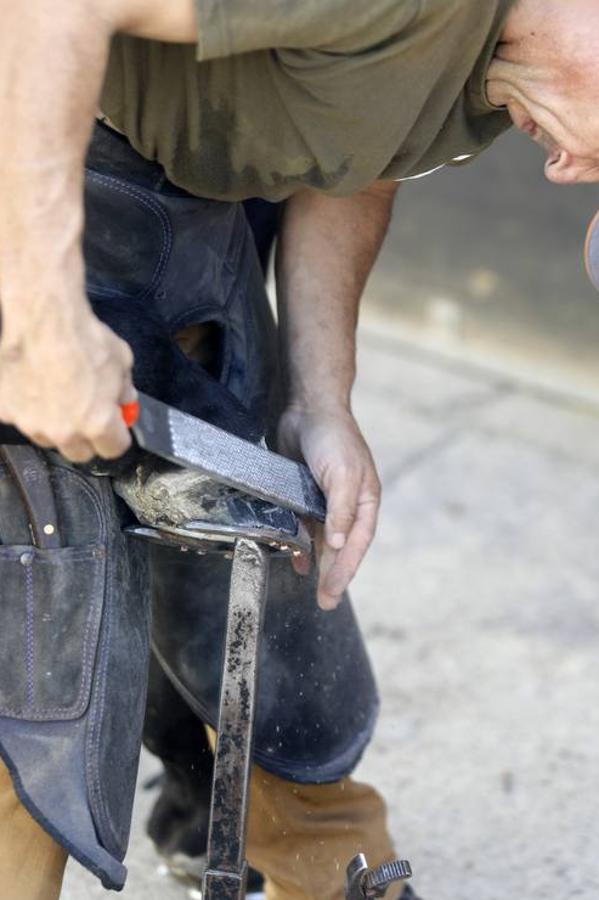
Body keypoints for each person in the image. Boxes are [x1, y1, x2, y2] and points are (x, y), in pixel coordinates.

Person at [1, 0, 597, 898]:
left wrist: (320, 400)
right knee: (44, 598)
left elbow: (358, 155)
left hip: (188, 207)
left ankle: (247, 811)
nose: (562, 173)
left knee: (237, 515)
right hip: (39, 153)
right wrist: (40, 318)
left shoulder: (499, 68)